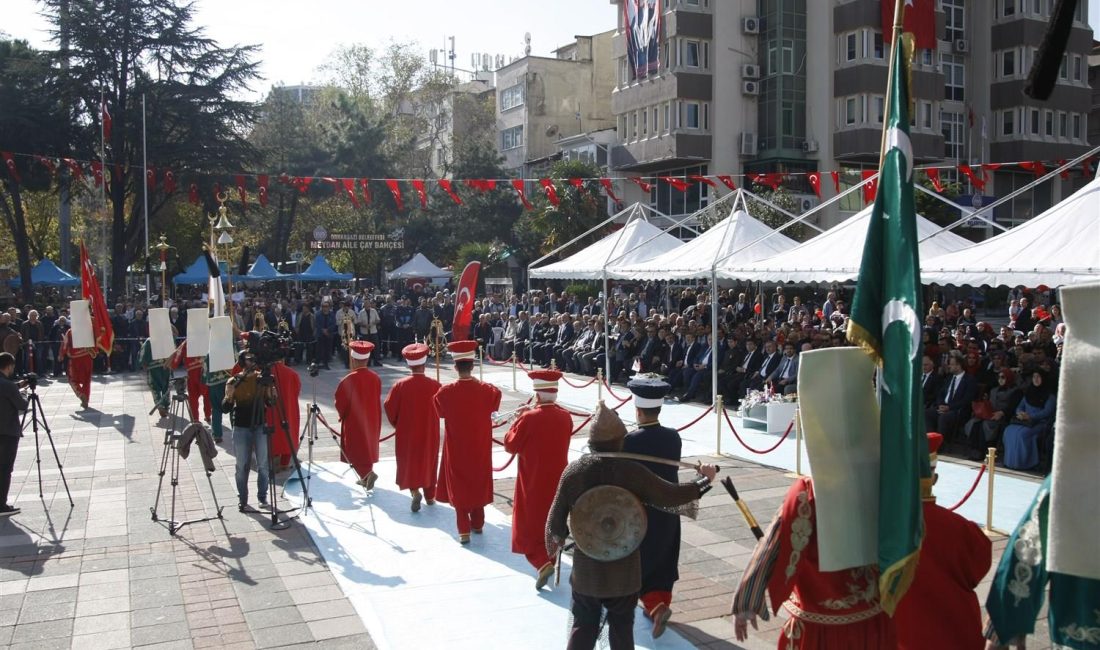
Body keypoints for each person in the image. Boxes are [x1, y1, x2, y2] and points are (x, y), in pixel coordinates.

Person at [732, 348, 896, 648]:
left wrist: (748, 599)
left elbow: (775, 544)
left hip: (820, 628)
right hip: (874, 622)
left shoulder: (809, 493)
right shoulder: (888, 481)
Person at [545, 402, 717, 650]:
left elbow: (555, 523)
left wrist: (558, 541)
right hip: (623, 566)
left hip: (587, 566)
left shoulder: (575, 472)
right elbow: (671, 496)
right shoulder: (632, 472)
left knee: (583, 626)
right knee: (621, 629)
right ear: (619, 441)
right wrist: (704, 480)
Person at [985, 280, 1100, 649]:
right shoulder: (1076, 472)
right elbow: (1029, 546)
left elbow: (1027, 550)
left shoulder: (1075, 473)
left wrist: (1007, 618)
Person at [894, 432, 991, 649]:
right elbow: (978, 569)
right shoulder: (963, 529)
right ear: (934, 479)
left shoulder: (879, 525)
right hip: (954, 634)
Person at [620, 374, 683, 637]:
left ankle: (654, 606)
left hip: (642, 511)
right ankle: (658, 606)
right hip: (669, 509)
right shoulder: (673, 438)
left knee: (642, 561)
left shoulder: (631, 441)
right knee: (664, 560)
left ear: (637, 409)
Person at [502, 369, 573, 589]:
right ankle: (549, 558)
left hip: (532, 478)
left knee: (527, 526)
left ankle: (542, 563)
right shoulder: (566, 416)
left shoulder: (529, 418)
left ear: (538, 395)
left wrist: (517, 420)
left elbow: (510, 445)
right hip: (559, 478)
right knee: (552, 521)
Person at [434, 340, 501, 544]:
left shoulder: (445, 392)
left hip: (457, 445)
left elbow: (439, 411)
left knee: (460, 482)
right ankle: (478, 523)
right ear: (473, 365)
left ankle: (463, 528)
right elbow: (495, 399)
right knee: (478, 479)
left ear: (455, 367)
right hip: (479, 444)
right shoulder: (488, 390)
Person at [383, 343, 441, 511]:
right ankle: (430, 496)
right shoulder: (434, 385)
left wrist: (398, 424)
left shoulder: (400, 385)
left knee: (409, 461)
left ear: (409, 364)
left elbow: (389, 407)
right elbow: (443, 408)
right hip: (429, 431)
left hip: (407, 431)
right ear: (424, 364)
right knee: (429, 460)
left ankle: (414, 490)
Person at [222, 346, 276, 512]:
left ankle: (262, 497)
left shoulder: (263, 379)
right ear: (241, 361)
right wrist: (229, 396)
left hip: (260, 425)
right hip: (241, 427)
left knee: (263, 464)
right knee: (241, 465)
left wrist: (271, 391)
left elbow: (271, 403)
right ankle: (243, 498)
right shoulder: (233, 381)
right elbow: (225, 408)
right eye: (248, 359)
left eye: (254, 359)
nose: (251, 362)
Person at [334, 340, 382, 488]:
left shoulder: (348, 379)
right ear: (367, 359)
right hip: (372, 417)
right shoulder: (375, 377)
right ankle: (366, 476)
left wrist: (342, 414)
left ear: (353, 359)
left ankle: (367, 474)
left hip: (354, 419)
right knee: (367, 446)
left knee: (356, 448)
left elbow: (340, 401)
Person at [1002, 369, 1056, 470]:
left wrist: (1031, 416)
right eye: (1034, 377)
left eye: (1038, 377)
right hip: (1024, 421)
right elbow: (1020, 406)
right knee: (1009, 430)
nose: (1036, 379)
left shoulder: (1050, 396)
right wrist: (1020, 413)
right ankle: (1010, 462)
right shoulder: (1029, 392)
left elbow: (1047, 412)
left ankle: (1025, 463)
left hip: (1040, 423)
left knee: (1022, 435)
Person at [0, 352, 28, 517]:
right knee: (5, 469)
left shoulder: (8, 385)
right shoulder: (8, 386)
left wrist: (18, 386)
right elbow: (22, 405)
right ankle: (1, 504)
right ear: (9, 366)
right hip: (7, 432)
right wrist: (23, 393)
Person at [172, 341, 211, 423]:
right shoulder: (207, 338)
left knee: (193, 397)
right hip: (205, 370)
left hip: (192, 371)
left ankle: (195, 419)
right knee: (207, 394)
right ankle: (208, 415)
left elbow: (178, 353)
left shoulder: (187, 342)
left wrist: (173, 365)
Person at [59, 324, 95, 410]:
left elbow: (65, 343)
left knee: (72, 380)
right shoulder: (88, 330)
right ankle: (85, 400)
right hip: (87, 358)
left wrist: (61, 354)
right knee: (87, 380)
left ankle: (82, 395)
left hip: (75, 359)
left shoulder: (70, 332)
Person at [140, 337, 172, 418]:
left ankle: (160, 406)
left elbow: (143, 354)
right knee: (166, 386)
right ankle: (166, 405)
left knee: (155, 387)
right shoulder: (167, 338)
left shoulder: (149, 341)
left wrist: (144, 364)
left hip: (153, 367)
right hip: (166, 365)